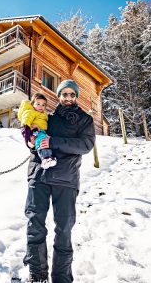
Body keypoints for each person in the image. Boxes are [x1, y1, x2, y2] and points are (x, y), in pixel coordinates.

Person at [23, 79, 96, 283]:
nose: (68, 98)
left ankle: (61, 278)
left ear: (76, 96)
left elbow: (86, 144)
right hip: (39, 176)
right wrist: (31, 141)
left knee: (63, 229)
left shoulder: (85, 120)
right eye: (64, 94)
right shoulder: (49, 117)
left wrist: (54, 142)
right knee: (35, 225)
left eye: (72, 94)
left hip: (66, 179)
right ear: (59, 96)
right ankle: (37, 276)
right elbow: (37, 136)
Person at [18, 93, 56, 169]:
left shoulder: (44, 114)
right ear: (32, 104)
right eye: (38, 104)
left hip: (42, 132)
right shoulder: (30, 112)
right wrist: (27, 135)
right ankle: (45, 157)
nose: (41, 106)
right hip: (35, 132)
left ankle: (48, 157)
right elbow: (25, 123)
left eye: (43, 105)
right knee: (41, 142)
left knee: (45, 140)